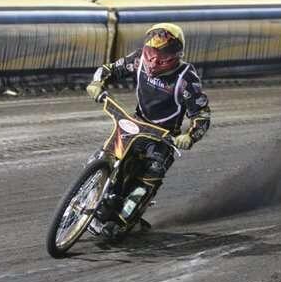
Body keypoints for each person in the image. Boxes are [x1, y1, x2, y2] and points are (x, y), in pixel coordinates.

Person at [85, 23, 211, 234]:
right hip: (135, 124)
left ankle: (126, 219)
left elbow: (202, 114)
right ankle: (89, 198)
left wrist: (189, 136)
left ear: (175, 55)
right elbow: (110, 69)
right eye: (152, 52)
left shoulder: (186, 77)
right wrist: (97, 82)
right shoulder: (139, 59)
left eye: (162, 55)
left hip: (163, 138)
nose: (154, 60)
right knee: (103, 155)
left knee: (150, 175)